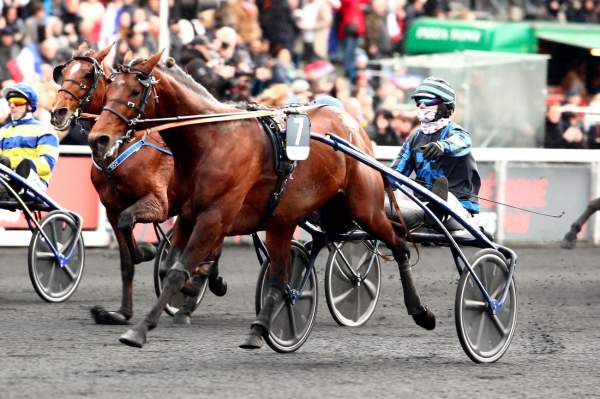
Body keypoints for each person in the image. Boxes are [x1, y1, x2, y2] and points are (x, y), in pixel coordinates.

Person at [391, 76, 481, 221]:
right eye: (418, 101)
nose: (421, 105)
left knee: (440, 202)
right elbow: (395, 174)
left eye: (427, 101)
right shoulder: (414, 138)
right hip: (424, 206)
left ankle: (440, 209)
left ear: (445, 106)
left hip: (459, 205)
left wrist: (442, 146)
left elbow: (463, 142)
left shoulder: (457, 133)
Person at [0, 83, 59, 198]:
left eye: (17, 102)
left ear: (30, 106)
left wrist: (11, 162)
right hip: (4, 181)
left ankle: (13, 187)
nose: (12, 105)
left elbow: (47, 164)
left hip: (33, 184)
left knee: (24, 165)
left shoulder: (45, 130)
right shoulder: (2, 131)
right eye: (10, 102)